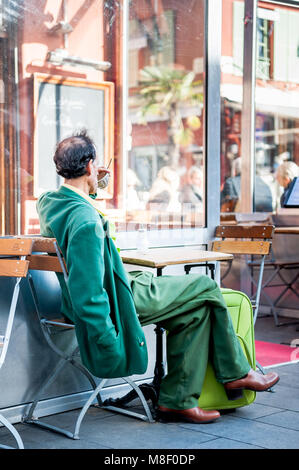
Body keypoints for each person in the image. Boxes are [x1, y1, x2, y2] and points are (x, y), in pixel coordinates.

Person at [37, 130, 279, 424]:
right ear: (89, 166)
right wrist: (105, 339)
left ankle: (178, 401)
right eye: (94, 165)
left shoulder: (52, 203)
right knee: (205, 286)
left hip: (118, 283)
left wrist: (93, 183)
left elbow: (81, 205)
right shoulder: (85, 221)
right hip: (118, 297)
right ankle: (237, 373)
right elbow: (88, 292)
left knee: (197, 311)